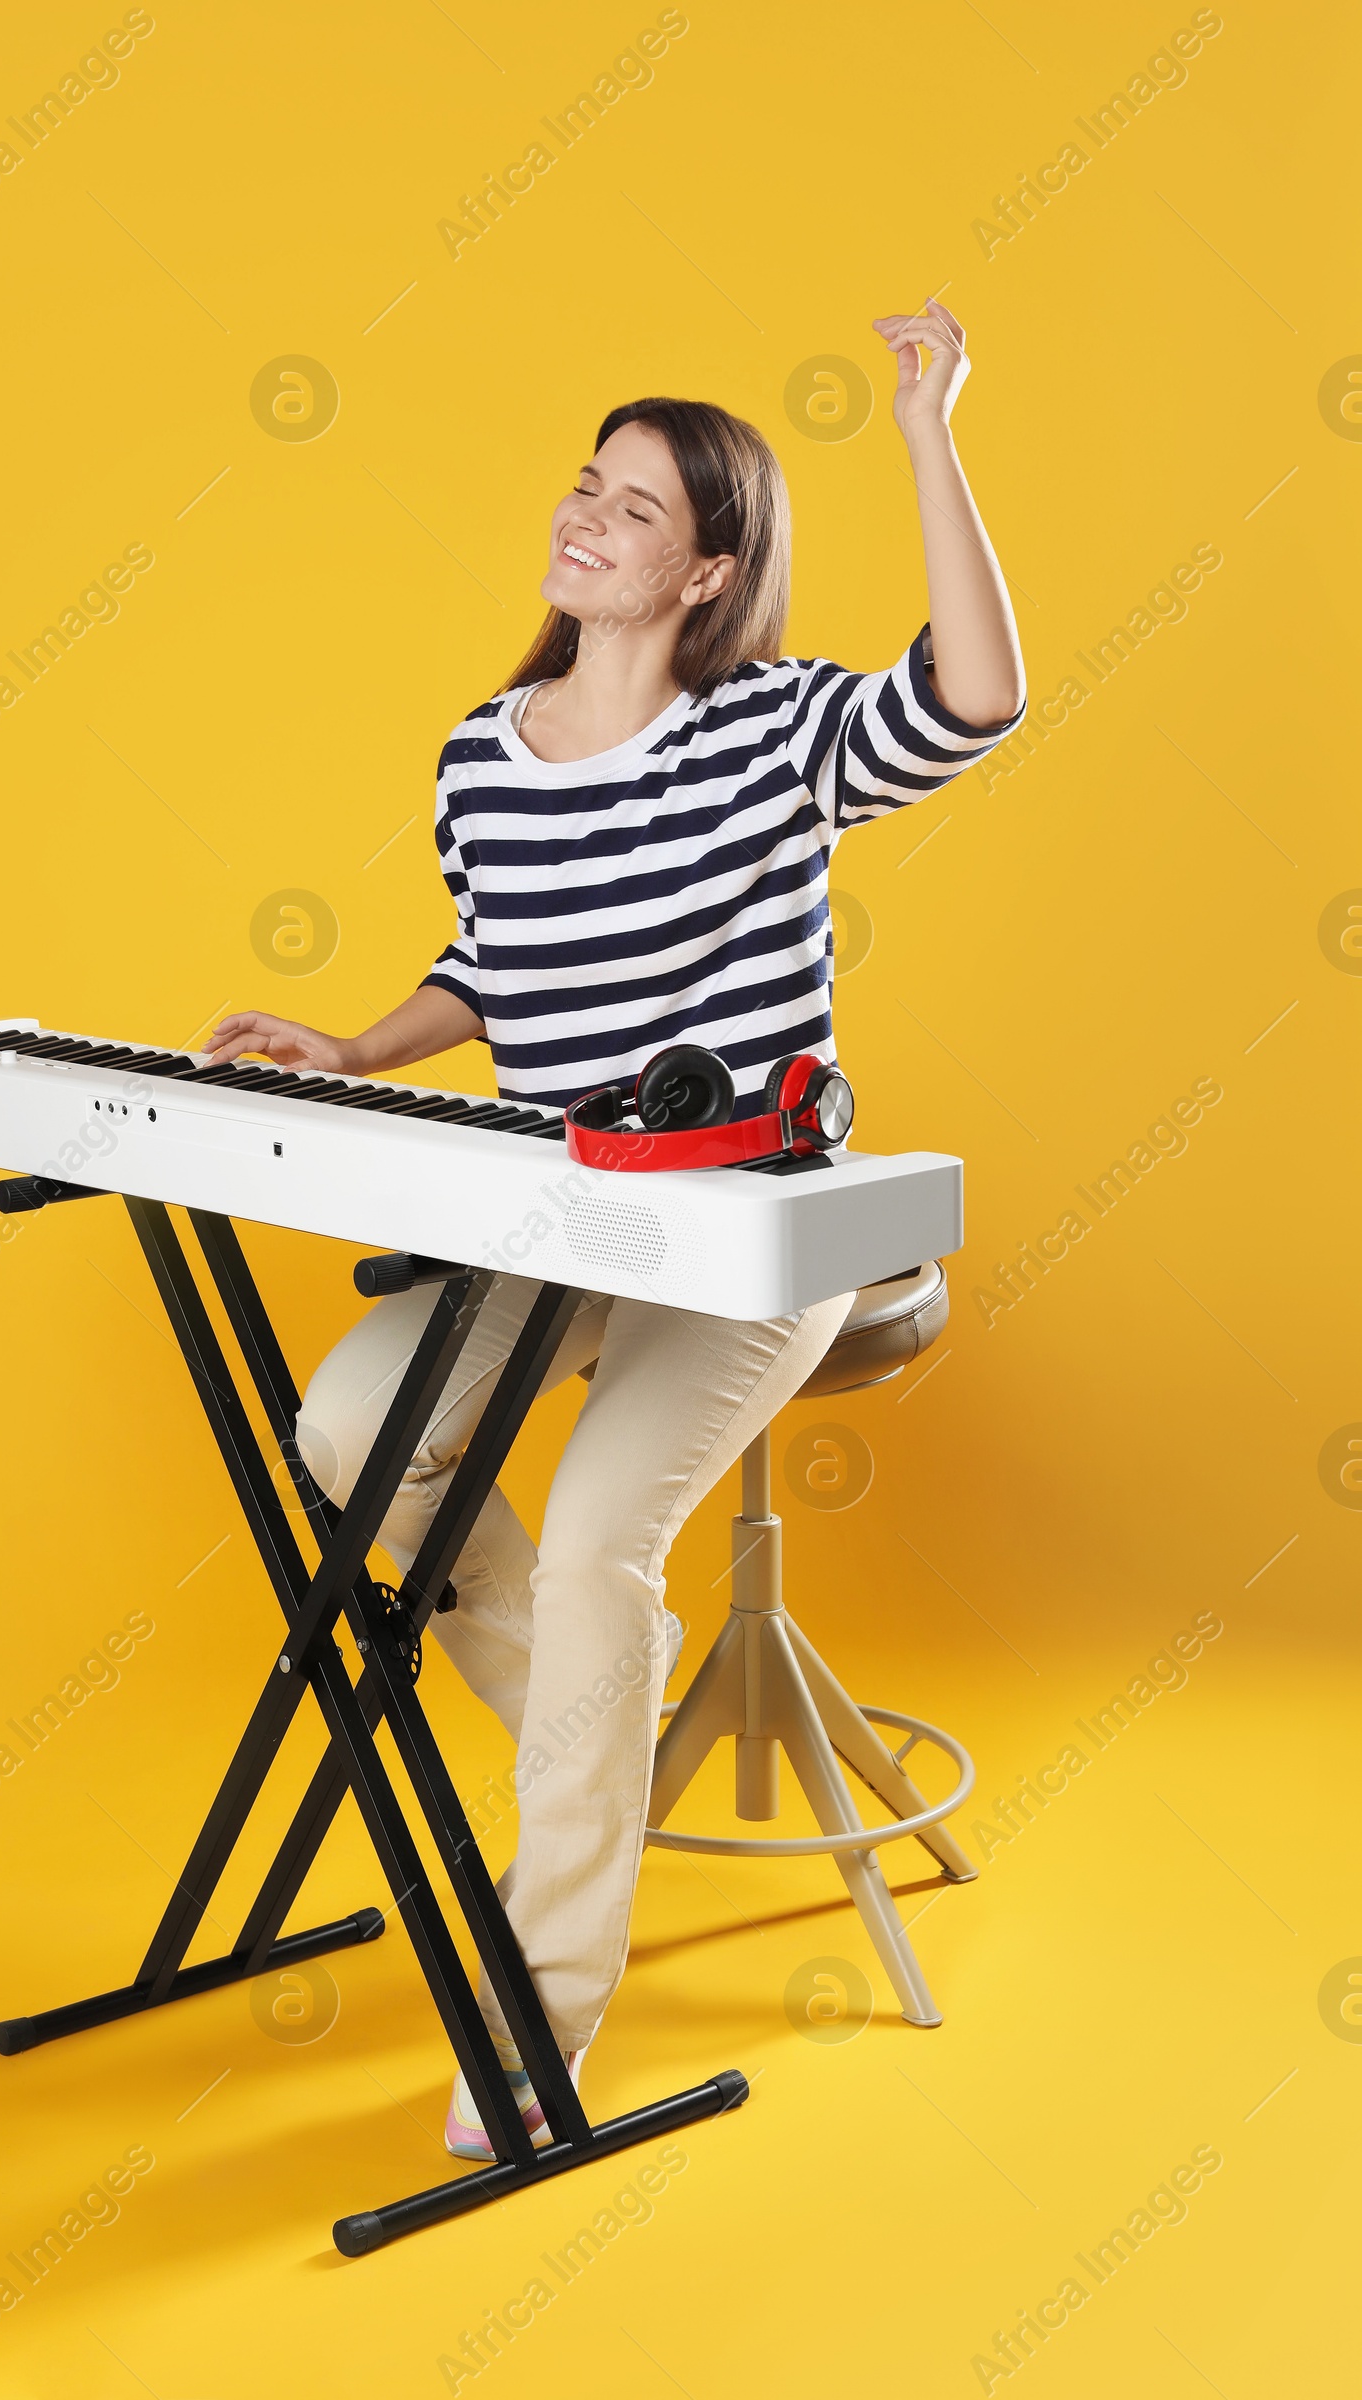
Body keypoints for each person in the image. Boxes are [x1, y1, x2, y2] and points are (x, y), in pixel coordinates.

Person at [205, 301, 1026, 2158]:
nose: (587, 515)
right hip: (564, 1217)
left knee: (590, 1546)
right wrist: (359, 1043)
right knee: (348, 1429)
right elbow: (500, 960)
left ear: (710, 568)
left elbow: (977, 697)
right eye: (586, 484)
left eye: (636, 506)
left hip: (760, 1234)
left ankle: (541, 2018)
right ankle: (599, 1719)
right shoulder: (478, 756)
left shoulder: (772, 733)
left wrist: (925, 436)